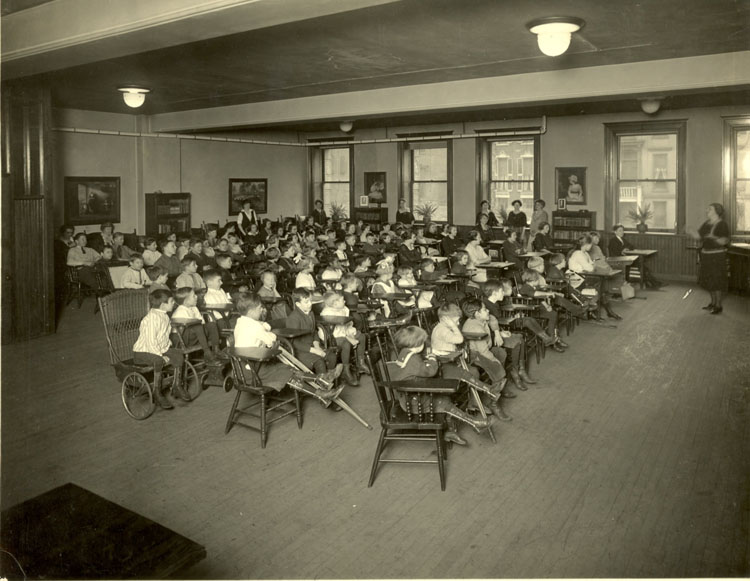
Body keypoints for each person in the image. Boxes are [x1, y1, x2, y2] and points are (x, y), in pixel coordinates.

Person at [387, 326, 492, 445]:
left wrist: (426, 358)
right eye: (422, 343)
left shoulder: (405, 354)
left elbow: (415, 369)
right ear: (417, 345)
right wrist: (432, 358)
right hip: (413, 402)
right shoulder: (414, 360)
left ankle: (449, 432)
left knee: (445, 398)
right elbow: (431, 371)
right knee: (444, 402)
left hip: (408, 396)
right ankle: (473, 422)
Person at [233, 293, 343, 406]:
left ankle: (322, 382)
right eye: (260, 308)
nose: (262, 310)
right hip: (253, 370)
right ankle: (321, 388)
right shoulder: (255, 327)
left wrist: (266, 327)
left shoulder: (241, 322)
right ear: (252, 311)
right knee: (287, 372)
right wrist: (269, 333)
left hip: (245, 366)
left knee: (288, 369)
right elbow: (272, 340)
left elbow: (263, 326)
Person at [430, 304, 507, 419]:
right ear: (445, 320)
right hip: (444, 365)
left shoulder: (445, 327)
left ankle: (491, 390)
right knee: (475, 368)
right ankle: (491, 391)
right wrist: (453, 326)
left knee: (477, 358)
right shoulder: (442, 330)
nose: (457, 324)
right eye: (455, 321)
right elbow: (459, 339)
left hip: (453, 359)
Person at [132, 289, 186, 409]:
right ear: (163, 304)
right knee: (158, 360)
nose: (174, 303)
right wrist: (161, 355)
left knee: (178, 354)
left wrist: (168, 349)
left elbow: (164, 337)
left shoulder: (164, 316)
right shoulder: (151, 318)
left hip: (158, 348)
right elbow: (151, 341)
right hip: (143, 351)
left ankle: (177, 385)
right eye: (172, 301)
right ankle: (157, 391)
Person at [320, 291, 368, 386]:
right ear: (335, 303)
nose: (345, 301)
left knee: (361, 336)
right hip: (331, 337)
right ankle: (346, 371)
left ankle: (360, 363)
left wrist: (351, 334)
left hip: (345, 332)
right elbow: (335, 331)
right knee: (346, 343)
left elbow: (347, 324)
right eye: (342, 300)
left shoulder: (344, 309)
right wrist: (349, 338)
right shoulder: (327, 313)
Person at [568, 234, 621, 320]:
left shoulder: (584, 253)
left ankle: (598, 310)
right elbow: (590, 267)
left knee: (601, 284)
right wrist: (592, 265)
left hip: (583, 278)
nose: (591, 246)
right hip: (577, 281)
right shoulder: (578, 254)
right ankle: (598, 310)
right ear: (586, 244)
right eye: (591, 245)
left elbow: (591, 266)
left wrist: (592, 265)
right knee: (600, 285)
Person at [285, 287, 336, 373]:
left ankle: (328, 378)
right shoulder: (293, 318)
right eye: (306, 302)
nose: (310, 304)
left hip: (312, 346)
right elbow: (294, 342)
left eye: (310, 301)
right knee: (319, 362)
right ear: (298, 304)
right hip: (300, 351)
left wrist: (316, 345)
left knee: (332, 356)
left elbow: (314, 331)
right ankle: (323, 384)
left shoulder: (310, 313)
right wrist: (315, 351)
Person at [695, 203, 730, 314]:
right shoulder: (706, 223)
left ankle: (718, 305)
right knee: (709, 280)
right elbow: (699, 236)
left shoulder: (722, 224)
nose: (707, 210)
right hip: (706, 255)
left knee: (716, 280)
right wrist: (690, 231)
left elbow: (725, 241)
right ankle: (713, 303)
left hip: (717, 256)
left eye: (709, 209)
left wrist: (713, 237)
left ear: (716, 211)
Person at [172, 287, 221, 361]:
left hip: (195, 335)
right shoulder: (181, 311)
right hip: (183, 339)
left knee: (211, 324)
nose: (196, 296)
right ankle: (207, 351)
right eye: (193, 296)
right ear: (185, 301)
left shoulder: (194, 308)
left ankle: (216, 349)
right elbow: (183, 329)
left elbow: (202, 322)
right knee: (197, 326)